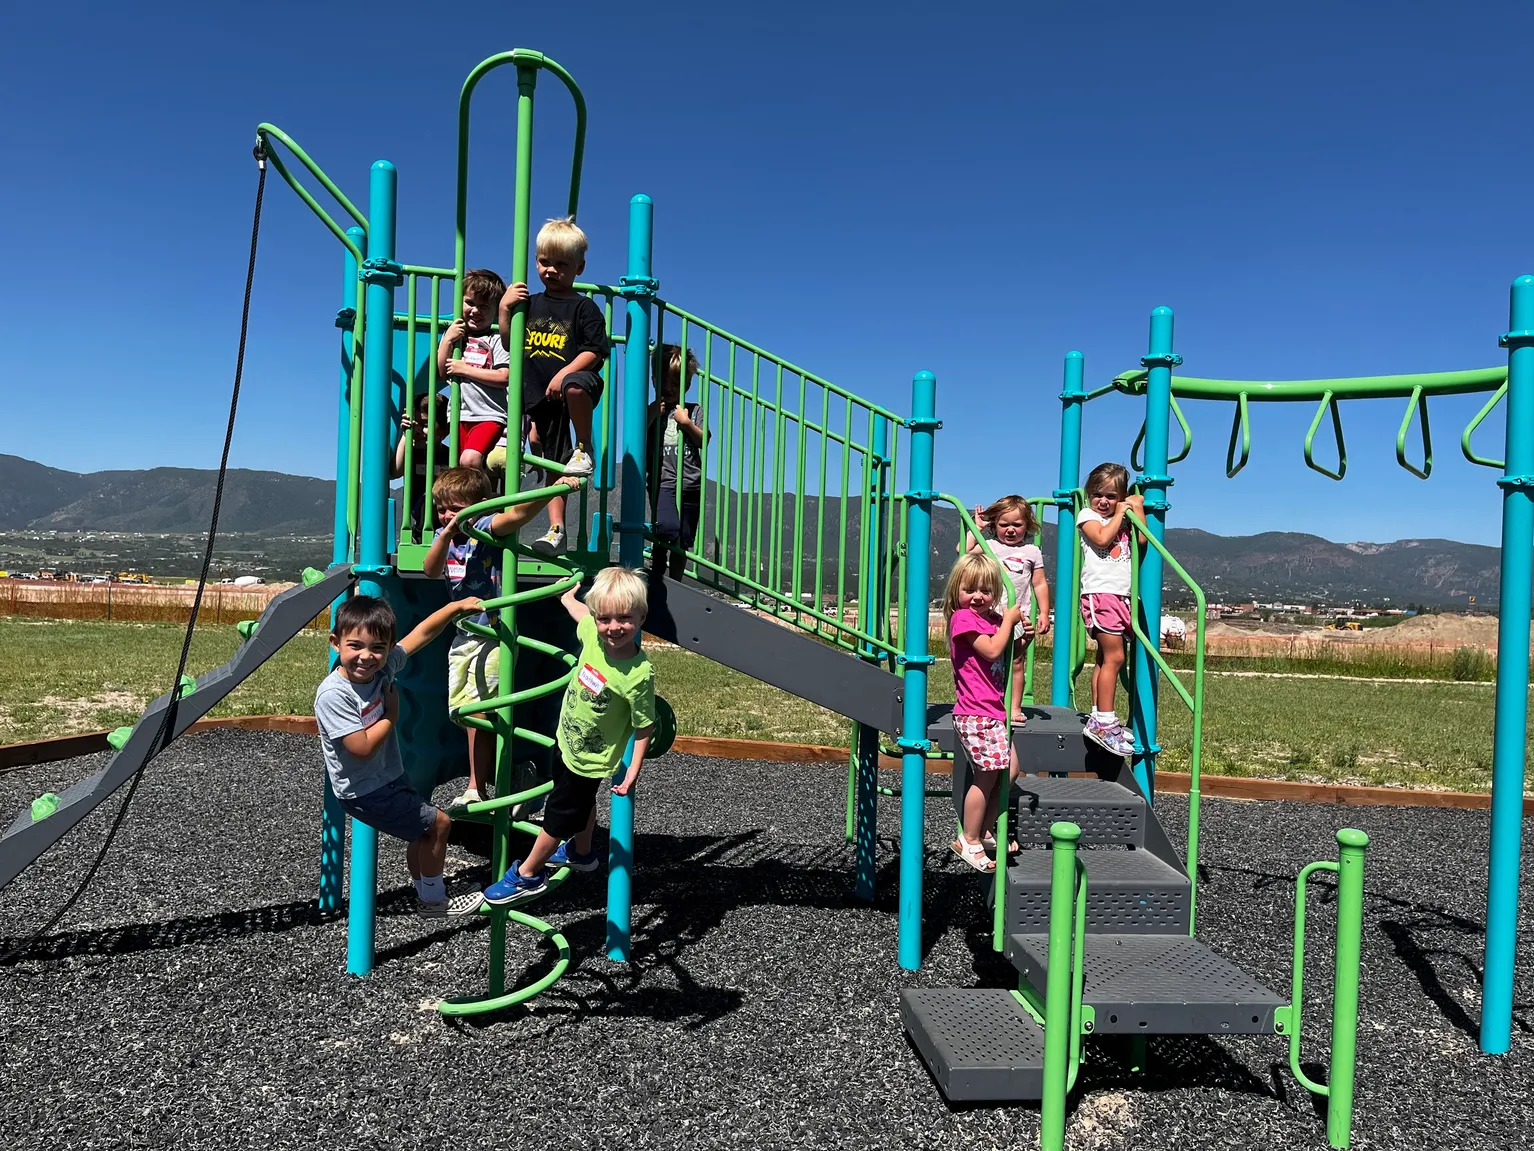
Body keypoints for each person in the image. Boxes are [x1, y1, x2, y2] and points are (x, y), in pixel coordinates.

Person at [482, 566, 655, 904]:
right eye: (605, 618)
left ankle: (528, 873)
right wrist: (566, 597)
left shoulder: (637, 674)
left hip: (591, 760)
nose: (614, 627)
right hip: (566, 741)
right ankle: (582, 851)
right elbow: (581, 616)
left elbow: (644, 723)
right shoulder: (593, 634)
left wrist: (633, 768)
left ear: (641, 618)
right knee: (579, 803)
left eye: (624, 618)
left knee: (558, 815)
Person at [421, 466, 586, 807]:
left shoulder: (483, 527)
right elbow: (430, 569)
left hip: (493, 633)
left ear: (481, 506)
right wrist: (446, 533)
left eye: (456, 508)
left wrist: (553, 490)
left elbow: (516, 516)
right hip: (465, 635)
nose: (449, 516)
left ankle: (481, 786)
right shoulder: (447, 537)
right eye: (442, 509)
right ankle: (503, 779)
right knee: (463, 712)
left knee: (480, 710)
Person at [315, 594, 486, 918]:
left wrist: (454, 608)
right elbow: (361, 748)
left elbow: (421, 635)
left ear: (388, 647)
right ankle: (434, 901)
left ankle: (427, 893)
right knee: (440, 824)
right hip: (365, 790)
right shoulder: (334, 695)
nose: (366, 656)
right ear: (336, 644)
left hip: (388, 777)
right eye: (355, 646)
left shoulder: (382, 670)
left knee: (424, 832)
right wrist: (391, 716)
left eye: (378, 648)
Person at [498, 217, 608, 554]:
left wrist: (564, 373)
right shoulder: (529, 304)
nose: (551, 270)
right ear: (536, 261)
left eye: (562, 264)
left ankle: (584, 446)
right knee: (555, 464)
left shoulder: (584, 307)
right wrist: (504, 309)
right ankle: (556, 530)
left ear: (579, 268)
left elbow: (594, 350)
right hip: (541, 399)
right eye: (545, 262)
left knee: (574, 385)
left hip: (577, 385)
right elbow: (510, 343)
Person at [943, 551, 1026, 873]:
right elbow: (991, 650)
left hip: (994, 712)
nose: (977, 596)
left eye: (986, 590)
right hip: (975, 713)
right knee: (986, 776)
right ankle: (969, 838)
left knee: (1011, 770)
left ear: (996, 592)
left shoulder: (992, 620)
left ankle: (986, 829)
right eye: (969, 589)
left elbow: (1006, 653)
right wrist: (1009, 621)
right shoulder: (962, 619)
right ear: (957, 590)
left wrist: (1022, 639)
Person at [1077, 462, 1143, 757]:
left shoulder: (1124, 521)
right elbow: (1102, 538)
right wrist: (1120, 513)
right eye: (1097, 494)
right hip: (1100, 595)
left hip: (1120, 596)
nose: (1103, 501)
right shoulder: (1087, 516)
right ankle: (1105, 722)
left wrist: (1136, 508)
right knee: (1115, 657)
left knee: (1105, 659)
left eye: (1112, 496)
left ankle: (1098, 716)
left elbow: (1142, 540)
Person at [967, 495, 1051, 725]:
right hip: (990, 616)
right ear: (995, 525)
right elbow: (964, 553)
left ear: (1027, 525)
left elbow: (1039, 583)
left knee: (1016, 662)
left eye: (1017, 524)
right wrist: (977, 529)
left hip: (1016, 617)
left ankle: (1014, 707)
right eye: (1004, 524)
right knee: (986, 662)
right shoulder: (990, 546)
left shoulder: (1032, 551)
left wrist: (1044, 612)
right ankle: (986, 703)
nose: (1011, 530)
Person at [438, 269, 510, 470]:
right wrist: (447, 341)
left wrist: (464, 369)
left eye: (484, 306)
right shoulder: (456, 338)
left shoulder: (497, 340)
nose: (476, 311)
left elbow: (504, 376)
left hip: (489, 415)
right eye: (470, 303)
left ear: (496, 311)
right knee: (462, 468)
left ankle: (481, 491)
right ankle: (481, 489)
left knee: (469, 460)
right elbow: (442, 373)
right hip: (459, 415)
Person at [646, 343, 707, 580]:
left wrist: (687, 423)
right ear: (654, 381)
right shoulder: (652, 410)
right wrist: (651, 415)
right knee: (666, 528)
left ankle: (676, 582)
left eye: (675, 383)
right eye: (664, 382)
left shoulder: (693, 410)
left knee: (683, 540)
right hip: (663, 481)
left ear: (687, 385)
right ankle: (658, 573)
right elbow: (636, 436)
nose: (669, 389)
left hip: (691, 483)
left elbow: (703, 440)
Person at [392, 391, 451, 537]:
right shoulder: (411, 454)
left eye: (425, 424)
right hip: (421, 519)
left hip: (447, 516)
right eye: (414, 424)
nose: (417, 430)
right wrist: (406, 435)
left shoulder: (451, 456)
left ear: (445, 430)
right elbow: (396, 471)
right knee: (428, 498)